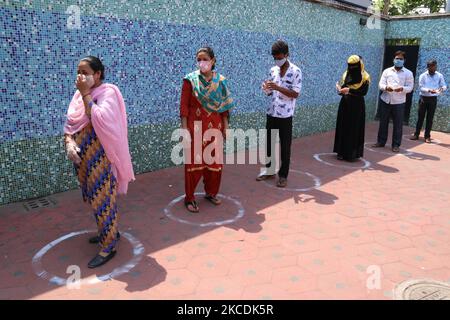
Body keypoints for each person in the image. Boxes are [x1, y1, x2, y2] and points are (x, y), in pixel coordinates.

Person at [64, 56, 135, 268]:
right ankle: (109, 230)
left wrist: (86, 93)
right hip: (84, 160)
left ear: (98, 74)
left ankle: (108, 246)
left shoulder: (108, 93)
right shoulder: (78, 96)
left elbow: (102, 119)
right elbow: (70, 124)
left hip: (102, 159)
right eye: (78, 71)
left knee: (103, 198)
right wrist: (68, 142)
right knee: (95, 198)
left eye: (85, 72)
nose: (80, 76)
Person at [180, 47, 234, 212]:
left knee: (215, 163)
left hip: (215, 127)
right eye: (199, 59)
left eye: (205, 59)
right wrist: (184, 130)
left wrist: (226, 127)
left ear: (213, 61)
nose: (201, 63)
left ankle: (211, 193)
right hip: (195, 128)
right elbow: (184, 106)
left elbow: (225, 107)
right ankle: (189, 198)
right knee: (194, 164)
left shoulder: (221, 81)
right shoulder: (190, 80)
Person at [256, 40, 302, 187]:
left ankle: (283, 176)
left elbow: (295, 94)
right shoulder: (273, 70)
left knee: (285, 146)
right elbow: (270, 92)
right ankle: (269, 171)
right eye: (274, 57)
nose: (277, 60)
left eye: (279, 57)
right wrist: (267, 88)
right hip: (272, 112)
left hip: (285, 115)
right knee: (269, 143)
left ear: (287, 55)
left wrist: (278, 87)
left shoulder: (296, 71)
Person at [372, 51, 414, 152]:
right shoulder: (387, 71)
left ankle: (396, 145)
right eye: (397, 58)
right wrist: (386, 87)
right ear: (393, 59)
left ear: (404, 60)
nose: (398, 60)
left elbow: (410, 87)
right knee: (383, 122)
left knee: (398, 124)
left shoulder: (408, 73)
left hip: (399, 102)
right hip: (385, 100)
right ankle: (381, 142)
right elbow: (380, 85)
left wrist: (402, 88)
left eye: (400, 59)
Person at [334, 55, 370, 161]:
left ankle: (352, 154)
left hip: (357, 106)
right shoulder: (346, 74)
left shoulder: (365, 77)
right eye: (350, 66)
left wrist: (349, 91)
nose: (352, 69)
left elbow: (363, 92)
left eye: (354, 66)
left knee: (354, 128)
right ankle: (340, 152)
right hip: (345, 103)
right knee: (342, 126)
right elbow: (344, 88)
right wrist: (340, 90)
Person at [410, 59, 447, 143]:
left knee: (430, 118)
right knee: (420, 117)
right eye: (432, 66)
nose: (434, 68)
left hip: (433, 99)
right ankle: (416, 134)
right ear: (428, 67)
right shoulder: (423, 75)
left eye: (435, 66)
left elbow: (444, 85)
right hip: (423, 98)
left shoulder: (439, 75)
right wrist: (429, 90)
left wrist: (442, 89)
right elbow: (421, 87)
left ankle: (427, 136)